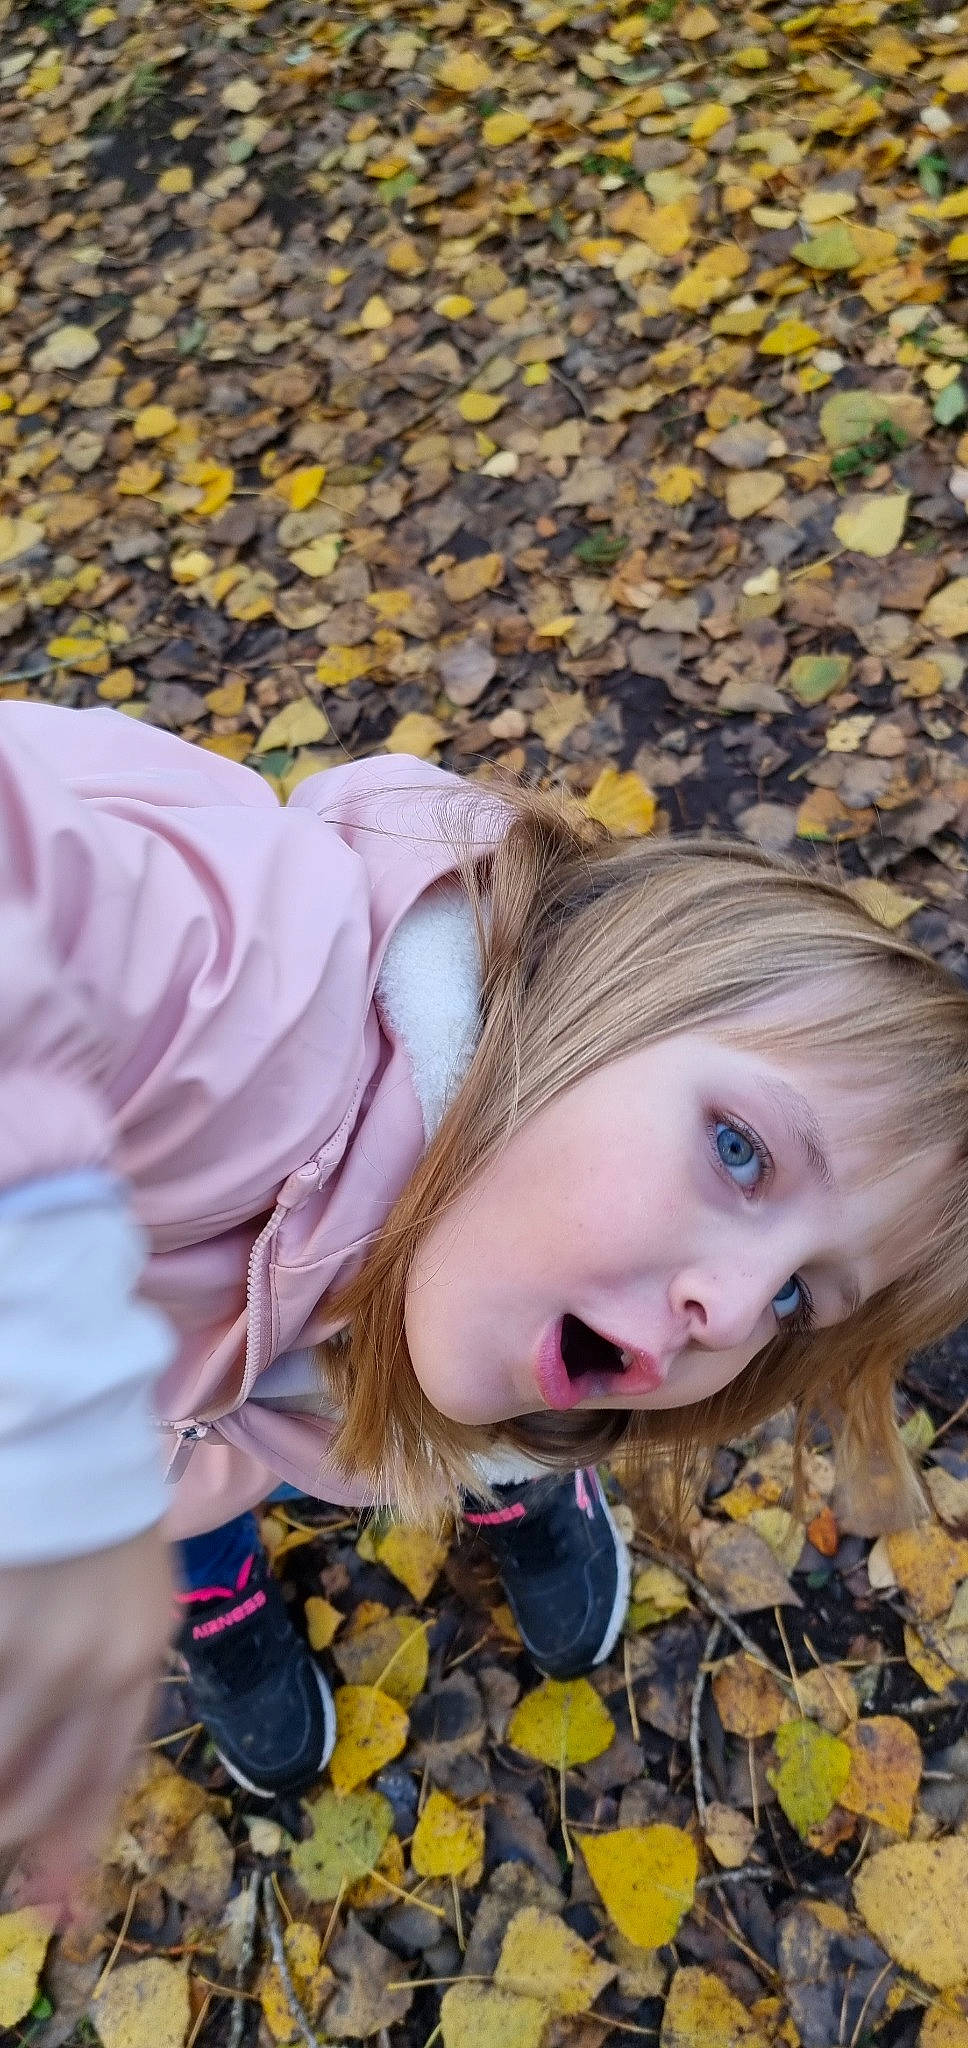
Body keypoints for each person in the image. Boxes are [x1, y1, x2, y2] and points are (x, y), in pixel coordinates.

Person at [2, 698, 968, 1901]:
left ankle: (500, 1458)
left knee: (474, 1356)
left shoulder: (559, 1239)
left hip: (244, 1389)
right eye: (736, 1150)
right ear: (601, 997)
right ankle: (214, 1560)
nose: (727, 1310)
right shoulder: (248, 1007)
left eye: (794, 1299)